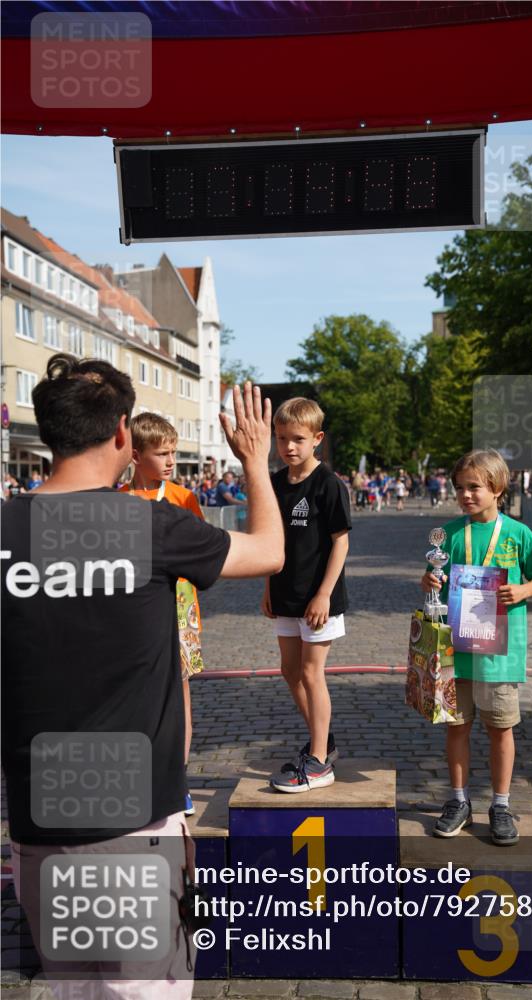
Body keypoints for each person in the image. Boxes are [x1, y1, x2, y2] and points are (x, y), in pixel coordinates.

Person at [1, 354, 283, 1000]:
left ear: (48, 433)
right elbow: (269, 550)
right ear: (123, 432)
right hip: (133, 829)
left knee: (75, 991)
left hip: (38, 828)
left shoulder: (6, 529)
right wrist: (254, 462)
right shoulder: (146, 525)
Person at [420, 449, 532, 846]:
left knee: (500, 729)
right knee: (457, 727)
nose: (465, 495)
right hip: (456, 651)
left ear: (496, 488)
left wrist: (524, 589)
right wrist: (428, 583)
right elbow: (434, 579)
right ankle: (458, 800)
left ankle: (500, 803)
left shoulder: (518, 534)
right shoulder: (448, 534)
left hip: (499, 655)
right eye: (459, 488)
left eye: (474, 487)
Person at [261, 397, 351, 792]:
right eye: (281, 438)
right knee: (289, 671)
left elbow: (340, 543)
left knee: (313, 674)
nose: (289, 446)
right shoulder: (275, 483)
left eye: (297, 438)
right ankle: (323, 738)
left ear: (317, 438)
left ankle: (318, 762)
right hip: (284, 592)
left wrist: (324, 595)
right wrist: (267, 585)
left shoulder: (329, 484)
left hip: (319, 598)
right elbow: (271, 541)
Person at [120, 412, 207, 818]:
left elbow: (204, 552)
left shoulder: (183, 499)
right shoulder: (116, 499)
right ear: (136, 456)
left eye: (174, 452)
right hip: (132, 613)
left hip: (180, 609)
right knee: (137, 695)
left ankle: (179, 778)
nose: (171, 461)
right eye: (163, 453)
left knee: (180, 697)